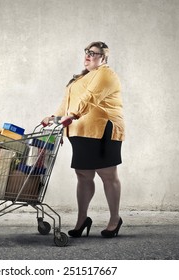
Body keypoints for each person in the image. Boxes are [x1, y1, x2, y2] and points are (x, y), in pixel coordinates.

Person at [42, 41, 125, 238]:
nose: (88, 56)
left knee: (107, 175)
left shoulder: (106, 74)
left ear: (103, 58)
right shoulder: (79, 79)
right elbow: (66, 104)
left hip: (102, 130)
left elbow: (90, 97)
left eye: (94, 53)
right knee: (83, 175)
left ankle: (114, 219)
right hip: (79, 132)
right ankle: (82, 219)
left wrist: (73, 115)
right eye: (87, 52)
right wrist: (53, 119)